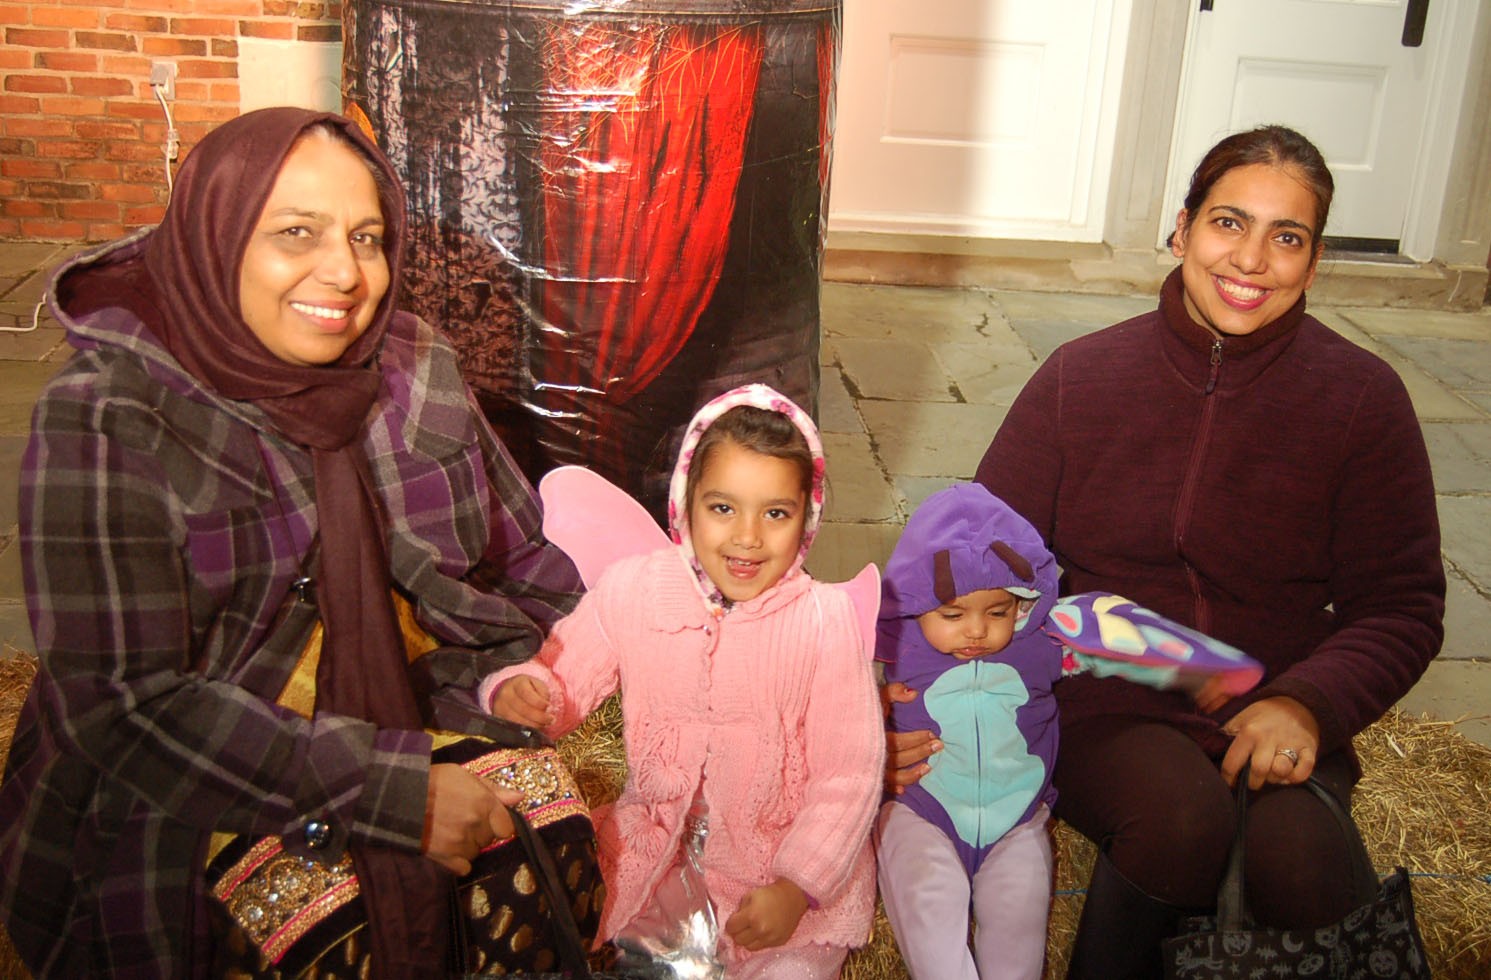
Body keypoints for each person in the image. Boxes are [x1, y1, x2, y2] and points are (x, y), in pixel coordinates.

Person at [0, 107, 584, 978]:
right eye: (295, 233)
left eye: (366, 237)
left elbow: (520, 556)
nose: (345, 273)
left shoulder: (414, 367)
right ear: (215, 237)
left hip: (416, 691)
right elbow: (123, 707)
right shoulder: (111, 413)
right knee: (325, 941)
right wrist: (393, 795)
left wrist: (601, 655)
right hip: (194, 773)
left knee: (548, 847)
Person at [890, 125, 1445, 979]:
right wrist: (893, 705)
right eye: (1228, 223)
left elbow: (1402, 606)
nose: (1250, 259)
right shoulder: (1079, 379)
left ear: (1313, 260)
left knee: (1301, 863)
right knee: (1181, 820)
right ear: (1182, 230)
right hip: (1098, 699)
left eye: (1286, 236)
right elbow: (967, 566)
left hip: (1271, 698)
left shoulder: (1362, 401)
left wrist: (1306, 705)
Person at [482, 384, 885, 979]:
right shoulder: (635, 589)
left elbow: (849, 772)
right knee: (614, 952)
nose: (748, 537)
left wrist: (798, 885)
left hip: (779, 871)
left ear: (808, 516)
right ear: (684, 503)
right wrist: (523, 689)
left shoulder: (824, 622)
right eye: (723, 508)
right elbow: (559, 675)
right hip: (657, 849)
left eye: (776, 513)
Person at [877, 483, 1228, 980]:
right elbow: (816, 672)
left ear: (1022, 603)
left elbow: (1116, 633)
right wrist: (870, 707)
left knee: (1019, 933)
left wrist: (1202, 666)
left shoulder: (1043, 639)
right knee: (930, 917)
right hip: (921, 813)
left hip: (1016, 819)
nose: (975, 630)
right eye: (952, 614)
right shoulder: (892, 641)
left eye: (997, 612)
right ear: (916, 601)